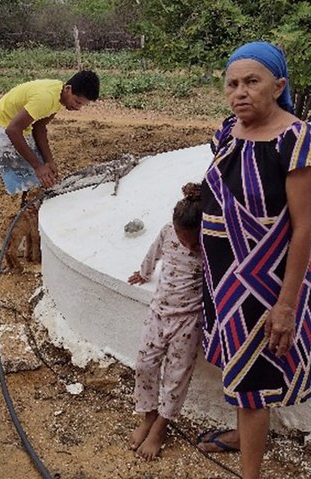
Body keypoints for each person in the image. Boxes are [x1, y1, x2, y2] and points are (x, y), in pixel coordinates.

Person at [196, 41, 311, 479]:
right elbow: (229, 187)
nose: (240, 92)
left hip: (267, 285)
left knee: (254, 382)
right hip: (225, 281)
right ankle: (240, 436)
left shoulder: (297, 140)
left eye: (252, 82)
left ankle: (250, 473)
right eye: (232, 83)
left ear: (279, 85)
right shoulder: (226, 132)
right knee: (238, 368)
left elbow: (304, 227)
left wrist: (286, 305)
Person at [127, 183, 204, 461]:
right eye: (186, 241)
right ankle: (148, 416)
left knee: (176, 377)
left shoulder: (209, 243)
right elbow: (154, 253)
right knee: (145, 364)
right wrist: (144, 273)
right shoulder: (168, 232)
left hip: (188, 322)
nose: (190, 246)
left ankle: (161, 426)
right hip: (158, 313)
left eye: (194, 241)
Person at [0, 70, 100, 203]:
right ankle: (17, 214)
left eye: (82, 104)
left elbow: (39, 128)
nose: (78, 107)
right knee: (26, 180)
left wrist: (49, 161)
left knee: (42, 177)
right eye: (77, 102)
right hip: (3, 127)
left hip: (21, 128)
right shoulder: (45, 98)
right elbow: (12, 130)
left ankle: (28, 207)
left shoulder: (60, 95)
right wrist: (38, 167)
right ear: (68, 89)